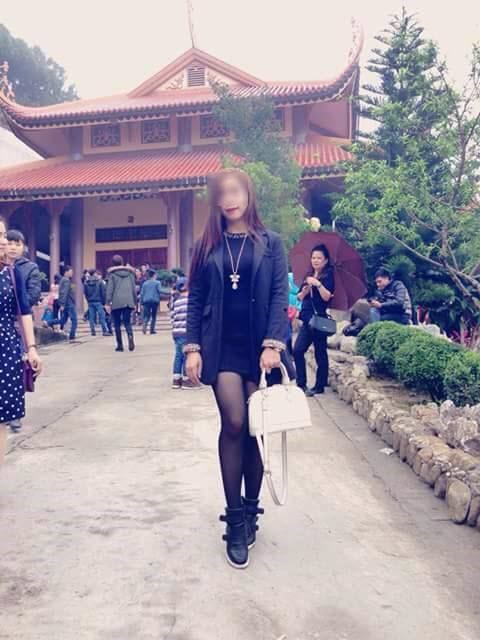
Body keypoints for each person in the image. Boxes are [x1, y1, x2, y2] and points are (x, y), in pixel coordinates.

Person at [185, 168, 292, 570]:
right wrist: (192, 348)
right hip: (221, 346)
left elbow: (280, 294)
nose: (229, 199)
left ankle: (250, 509)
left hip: (259, 346)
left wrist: (273, 343)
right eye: (222, 194)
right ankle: (233, 520)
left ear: (249, 195)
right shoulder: (206, 245)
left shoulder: (271, 242)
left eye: (236, 191)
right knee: (234, 422)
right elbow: (196, 298)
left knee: (255, 429)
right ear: (215, 201)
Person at [0, 216, 42, 463]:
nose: (3, 241)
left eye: (3, 235)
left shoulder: (12, 273)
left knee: (1, 418)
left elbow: (24, 311)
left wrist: (32, 348)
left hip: (5, 347)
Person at [293, 244, 335, 397]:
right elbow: (299, 297)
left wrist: (318, 284)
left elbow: (327, 297)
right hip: (306, 318)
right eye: (313, 258)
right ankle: (301, 384)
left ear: (325, 260)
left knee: (320, 353)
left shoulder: (328, 276)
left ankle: (319, 385)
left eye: (319, 258)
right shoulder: (308, 275)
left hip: (319, 320)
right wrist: (305, 290)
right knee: (297, 350)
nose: (315, 260)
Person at [105, 255, 137, 352]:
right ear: (122, 262)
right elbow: (133, 289)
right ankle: (130, 336)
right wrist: (135, 302)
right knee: (127, 322)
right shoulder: (130, 274)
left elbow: (110, 289)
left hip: (117, 302)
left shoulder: (112, 275)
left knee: (117, 324)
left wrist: (107, 302)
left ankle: (120, 345)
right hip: (128, 301)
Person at [170, 277, 197, 390]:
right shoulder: (190, 301)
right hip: (186, 332)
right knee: (187, 355)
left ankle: (176, 380)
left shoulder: (176, 301)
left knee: (178, 355)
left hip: (176, 332)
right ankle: (187, 380)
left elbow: (172, 317)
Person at [6, 230, 42, 308]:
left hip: (21, 313)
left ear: (23, 248)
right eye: (9, 244)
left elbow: (34, 294)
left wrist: (12, 306)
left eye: (18, 245)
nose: (13, 248)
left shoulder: (31, 267)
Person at [84, 268, 110, 336]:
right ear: (94, 273)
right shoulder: (100, 282)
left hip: (90, 301)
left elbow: (85, 293)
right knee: (102, 317)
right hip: (98, 301)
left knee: (91, 317)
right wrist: (104, 302)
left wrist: (88, 300)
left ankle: (92, 331)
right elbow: (103, 293)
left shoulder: (86, 282)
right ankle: (104, 331)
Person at [58, 266, 77, 341]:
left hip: (66, 302)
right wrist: (62, 304)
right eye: (71, 271)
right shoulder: (66, 280)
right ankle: (72, 336)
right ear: (66, 272)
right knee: (74, 320)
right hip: (68, 303)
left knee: (63, 320)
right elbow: (64, 293)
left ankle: (48, 323)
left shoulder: (63, 280)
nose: (72, 273)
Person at [140, 268, 162, 335]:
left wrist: (141, 302)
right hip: (154, 300)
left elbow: (142, 293)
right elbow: (160, 291)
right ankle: (152, 329)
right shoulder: (157, 283)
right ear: (154, 275)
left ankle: (144, 327)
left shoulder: (145, 283)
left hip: (146, 301)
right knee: (153, 316)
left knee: (146, 315)